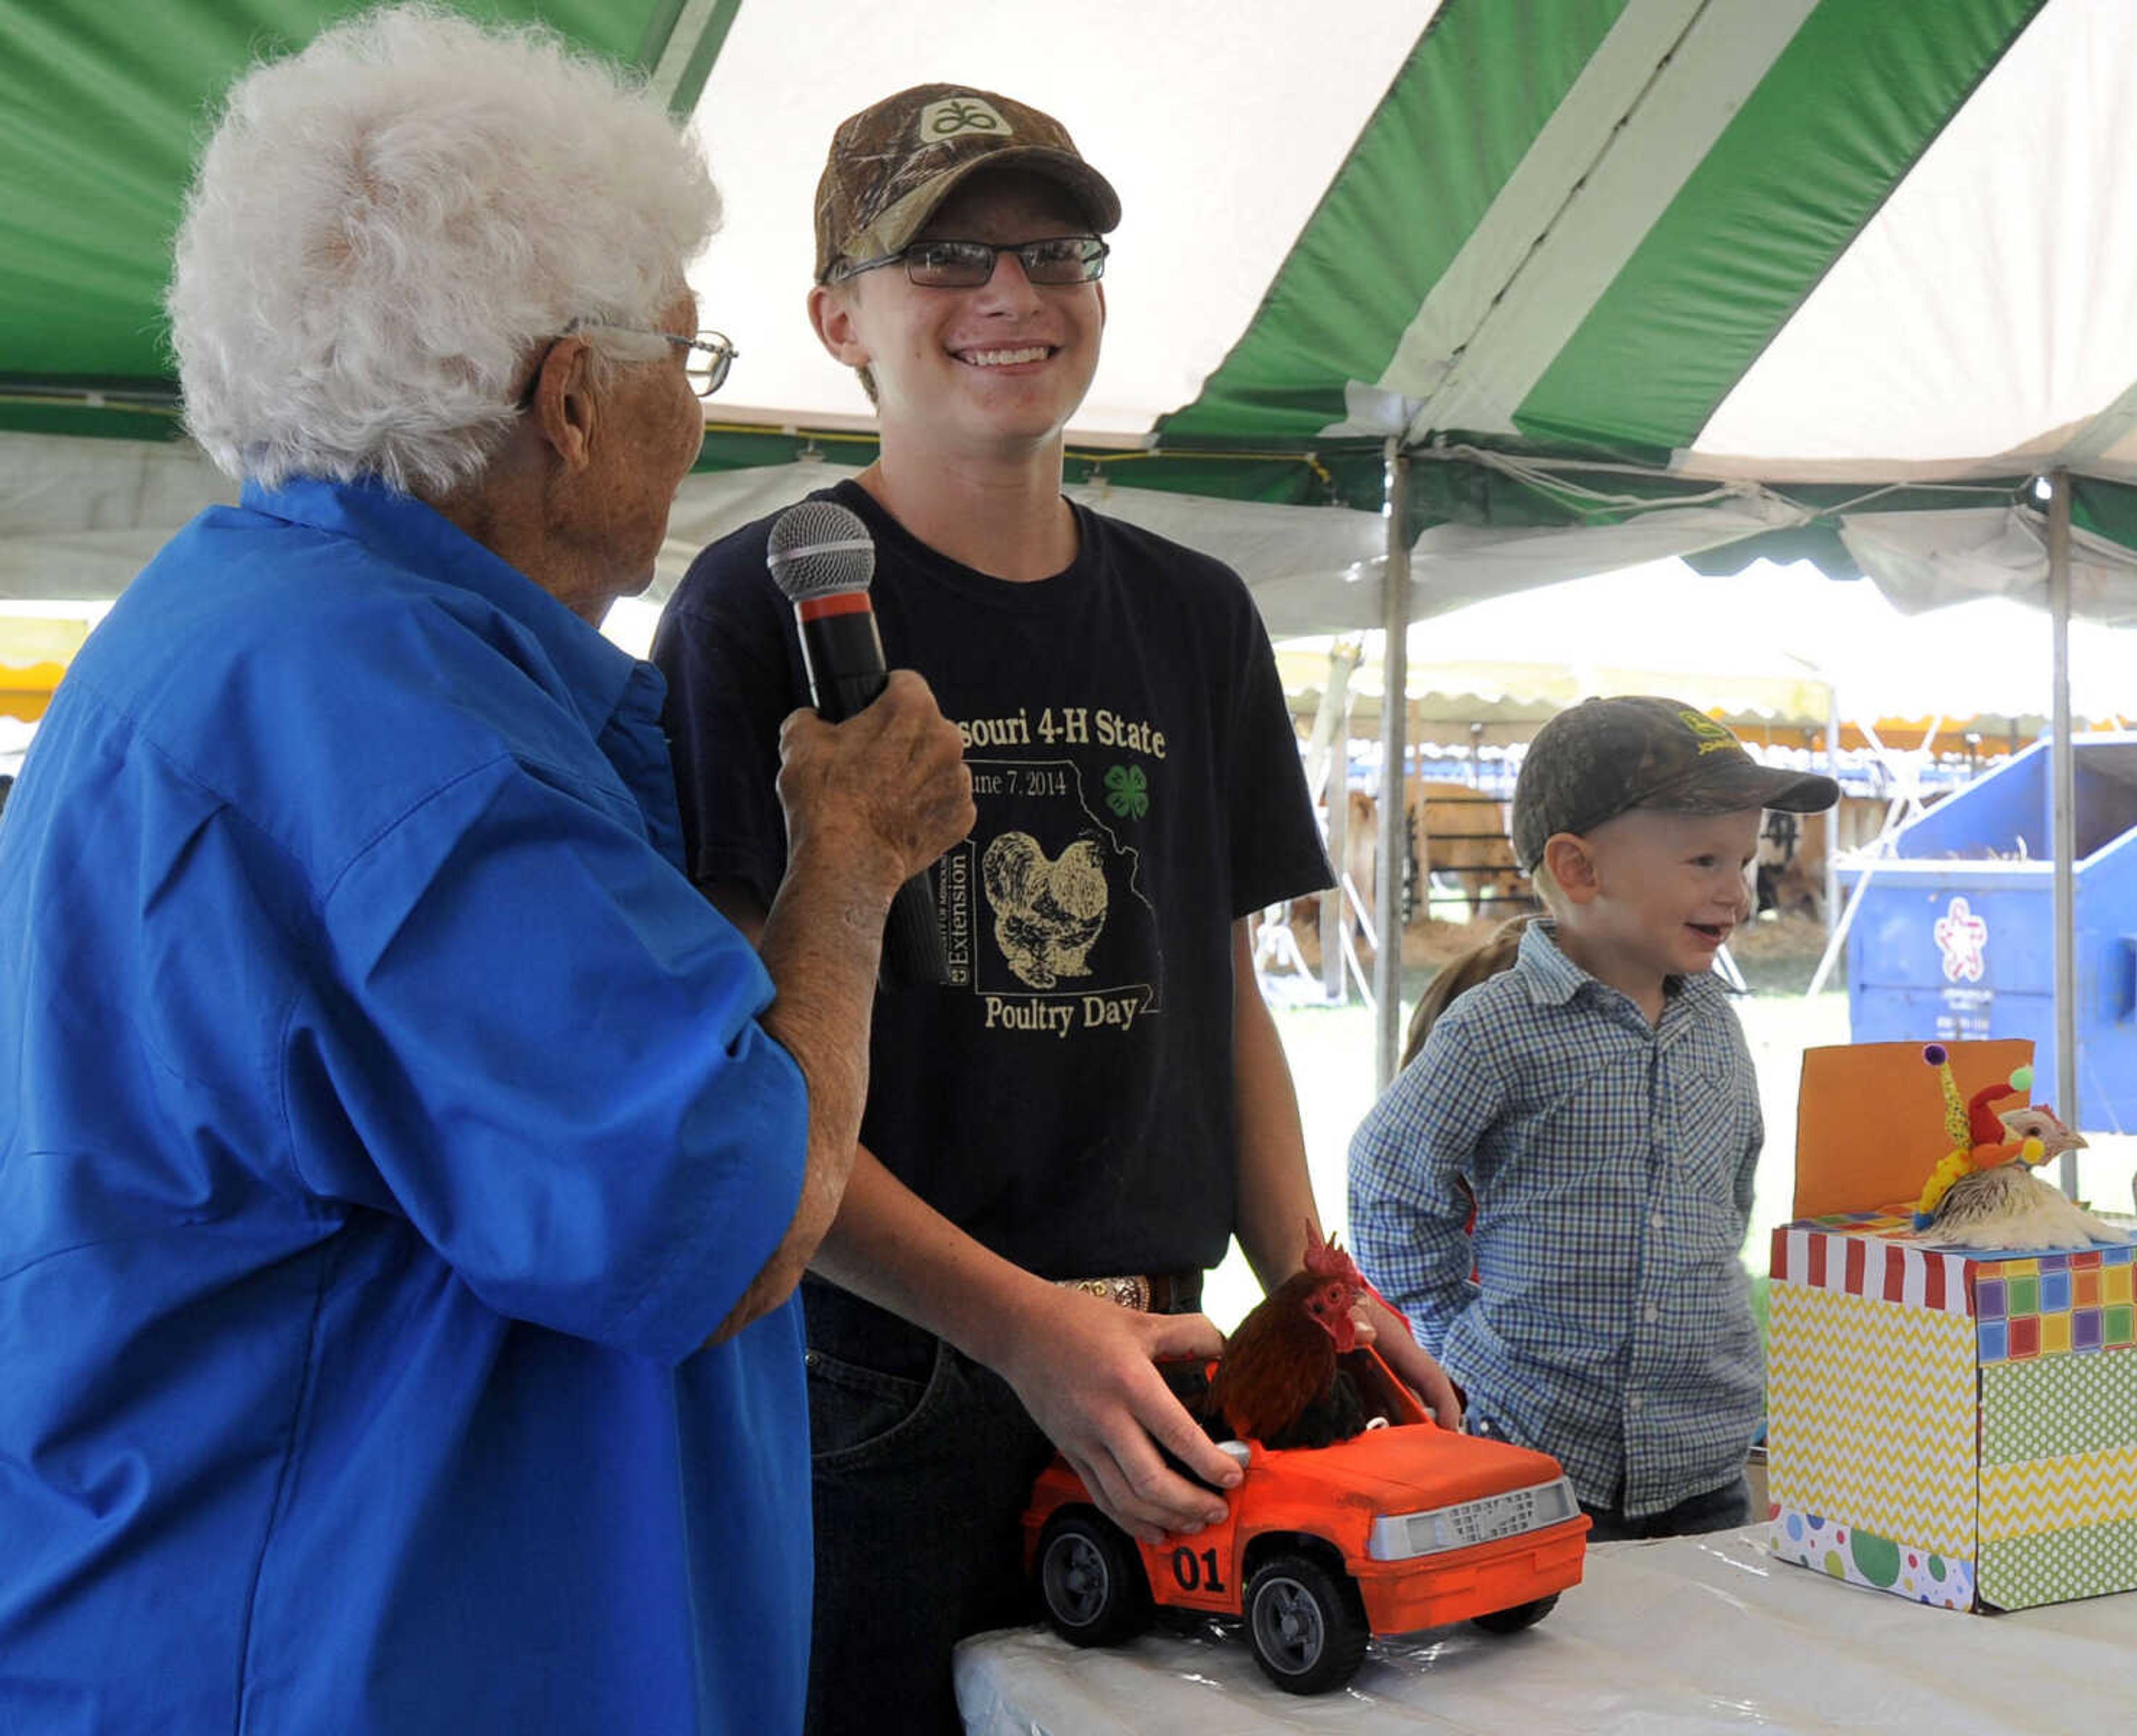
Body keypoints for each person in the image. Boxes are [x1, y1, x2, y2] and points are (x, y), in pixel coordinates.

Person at [0, 12, 972, 1734]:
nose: (699, 408)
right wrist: (847, 870)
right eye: (691, 353)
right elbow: (723, 1218)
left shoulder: (251, 630)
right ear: (574, 401)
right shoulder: (401, 731)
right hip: (360, 1656)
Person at [653, 83, 1458, 1732]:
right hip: (877, 1374)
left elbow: (1216, 990)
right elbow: (742, 1066)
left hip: (1157, 1347)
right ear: (837, 318)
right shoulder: (760, 606)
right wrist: (1022, 1330)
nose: (1014, 297)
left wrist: (1306, 1281)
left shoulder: (1195, 612)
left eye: (1054, 251)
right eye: (947, 258)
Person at [1350, 697, 1838, 1541]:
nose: (1737, 893)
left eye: (1746, 861)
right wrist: (1454, 1337)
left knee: (1703, 1659)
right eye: (1704, 860)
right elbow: (1388, 1182)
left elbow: (1733, 1188)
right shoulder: (1495, 1026)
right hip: (1534, 1447)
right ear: (1578, 870)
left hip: (1704, 1456)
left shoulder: (1717, 1023)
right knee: (1544, 1666)